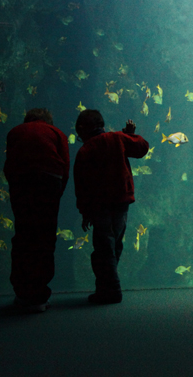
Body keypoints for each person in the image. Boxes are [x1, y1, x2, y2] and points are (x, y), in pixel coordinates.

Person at [73, 109, 149, 304]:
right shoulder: (117, 138)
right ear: (102, 125)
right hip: (121, 201)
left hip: (100, 205)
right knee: (115, 243)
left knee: (103, 246)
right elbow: (142, 148)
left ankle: (110, 290)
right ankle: (108, 287)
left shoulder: (85, 150)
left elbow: (81, 186)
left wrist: (85, 212)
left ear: (82, 129)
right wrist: (128, 136)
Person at [3, 108, 70, 313]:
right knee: (45, 237)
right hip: (50, 182)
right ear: (48, 121)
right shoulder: (57, 133)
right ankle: (39, 296)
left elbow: (9, 164)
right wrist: (57, 193)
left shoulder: (15, 131)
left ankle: (22, 293)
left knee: (23, 234)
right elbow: (65, 166)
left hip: (21, 183)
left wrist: (14, 186)